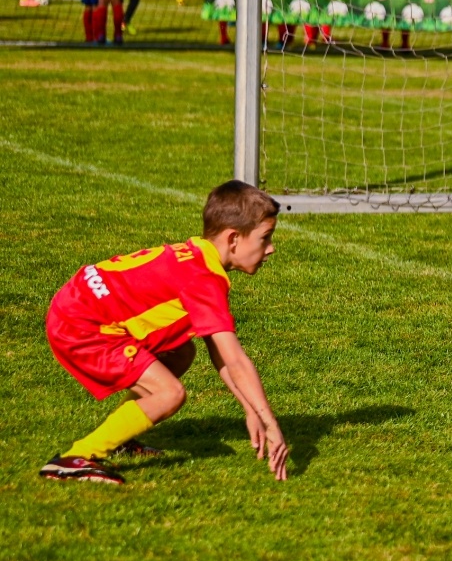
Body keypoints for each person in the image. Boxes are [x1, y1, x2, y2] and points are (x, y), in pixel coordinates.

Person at [39, 181, 290, 485]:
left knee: (181, 352)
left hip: (76, 303)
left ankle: (121, 436)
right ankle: (75, 458)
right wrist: (271, 423)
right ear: (233, 238)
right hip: (82, 326)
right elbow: (235, 360)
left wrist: (251, 410)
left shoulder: (196, 254)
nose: (271, 248)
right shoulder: (204, 281)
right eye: (265, 237)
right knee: (170, 393)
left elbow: (221, 355)